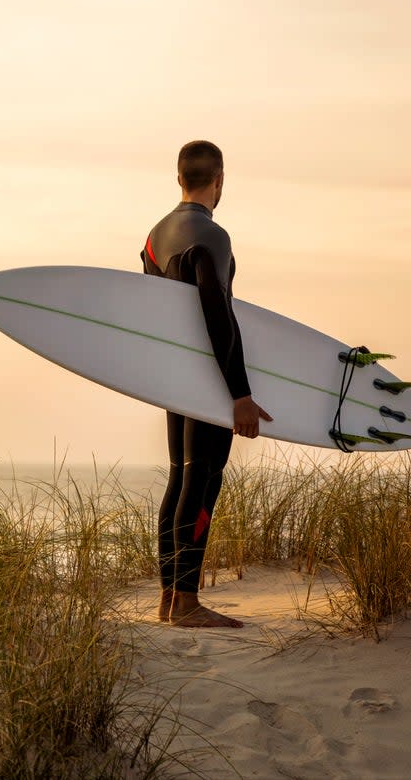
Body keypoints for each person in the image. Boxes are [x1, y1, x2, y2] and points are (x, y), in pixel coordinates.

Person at [140, 140, 272, 628]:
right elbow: (219, 316)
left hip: (176, 380)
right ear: (219, 180)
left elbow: (154, 318)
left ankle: (170, 599)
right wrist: (239, 393)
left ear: (179, 179)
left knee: (180, 478)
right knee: (204, 481)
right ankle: (189, 603)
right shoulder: (211, 236)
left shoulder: (156, 235)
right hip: (210, 380)